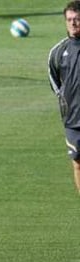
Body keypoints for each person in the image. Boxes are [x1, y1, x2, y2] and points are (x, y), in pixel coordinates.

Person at [49, 0, 80, 194]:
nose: (73, 23)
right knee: (77, 163)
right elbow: (54, 82)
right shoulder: (58, 52)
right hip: (73, 120)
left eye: (77, 19)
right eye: (69, 19)